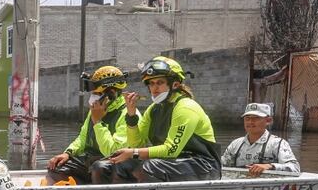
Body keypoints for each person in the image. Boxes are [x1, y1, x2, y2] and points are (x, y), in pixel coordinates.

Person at [93, 56, 222, 183]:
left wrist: (133, 153)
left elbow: (171, 150)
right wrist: (131, 115)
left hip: (203, 165)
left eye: (160, 83)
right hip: (168, 163)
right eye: (151, 84)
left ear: (175, 84)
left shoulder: (185, 107)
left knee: (149, 167)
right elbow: (136, 144)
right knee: (105, 166)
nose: (154, 89)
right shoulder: (153, 109)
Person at [46, 65, 129, 183]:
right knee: (56, 167)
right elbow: (83, 138)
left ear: (111, 93)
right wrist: (68, 153)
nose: (92, 98)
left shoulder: (126, 115)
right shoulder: (95, 111)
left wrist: (98, 122)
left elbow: (112, 152)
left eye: (97, 94)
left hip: (112, 164)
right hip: (91, 160)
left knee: (99, 168)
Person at [222, 102, 300, 176]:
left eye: (256, 118)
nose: (250, 122)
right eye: (247, 118)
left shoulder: (278, 144)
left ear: (268, 121)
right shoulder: (236, 144)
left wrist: (270, 166)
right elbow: (221, 165)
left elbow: (295, 168)